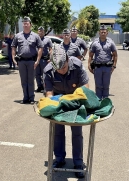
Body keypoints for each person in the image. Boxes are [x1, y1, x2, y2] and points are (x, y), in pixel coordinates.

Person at [43, 44, 89, 178]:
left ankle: (78, 163)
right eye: (58, 69)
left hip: (76, 100)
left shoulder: (78, 65)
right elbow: (49, 93)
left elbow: (85, 87)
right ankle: (59, 159)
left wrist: (76, 102)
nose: (61, 71)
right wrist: (53, 106)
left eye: (63, 67)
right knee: (57, 132)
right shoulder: (48, 70)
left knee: (77, 132)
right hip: (58, 102)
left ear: (68, 59)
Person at [11, 16, 44, 104]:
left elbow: (40, 47)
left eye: (27, 23)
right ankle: (25, 98)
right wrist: (14, 58)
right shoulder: (18, 35)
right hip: (21, 61)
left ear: (30, 25)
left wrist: (37, 60)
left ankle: (31, 98)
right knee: (23, 80)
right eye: (24, 23)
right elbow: (13, 46)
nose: (25, 25)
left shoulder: (35, 36)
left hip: (31, 61)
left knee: (31, 80)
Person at [88, 25, 118, 100]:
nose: (103, 33)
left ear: (107, 33)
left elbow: (115, 55)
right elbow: (90, 55)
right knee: (98, 85)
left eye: (104, 32)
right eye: (101, 32)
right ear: (99, 33)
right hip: (97, 68)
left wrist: (114, 66)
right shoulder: (95, 42)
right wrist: (89, 65)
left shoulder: (111, 42)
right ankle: (98, 101)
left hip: (107, 68)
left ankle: (105, 101)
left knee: (106, 85)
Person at [35, 26, 53, 93]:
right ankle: (39, 86)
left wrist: (49, 57)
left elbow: (51, 49)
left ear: (44, 32)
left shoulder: (47, 39)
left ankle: (45, 87)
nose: (41, 32)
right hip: (36, 59)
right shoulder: (35, 39)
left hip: (44, 59)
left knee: (44, 74)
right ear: (38, 32)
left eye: (42, 31)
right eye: (39, 31)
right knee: (37, 74)